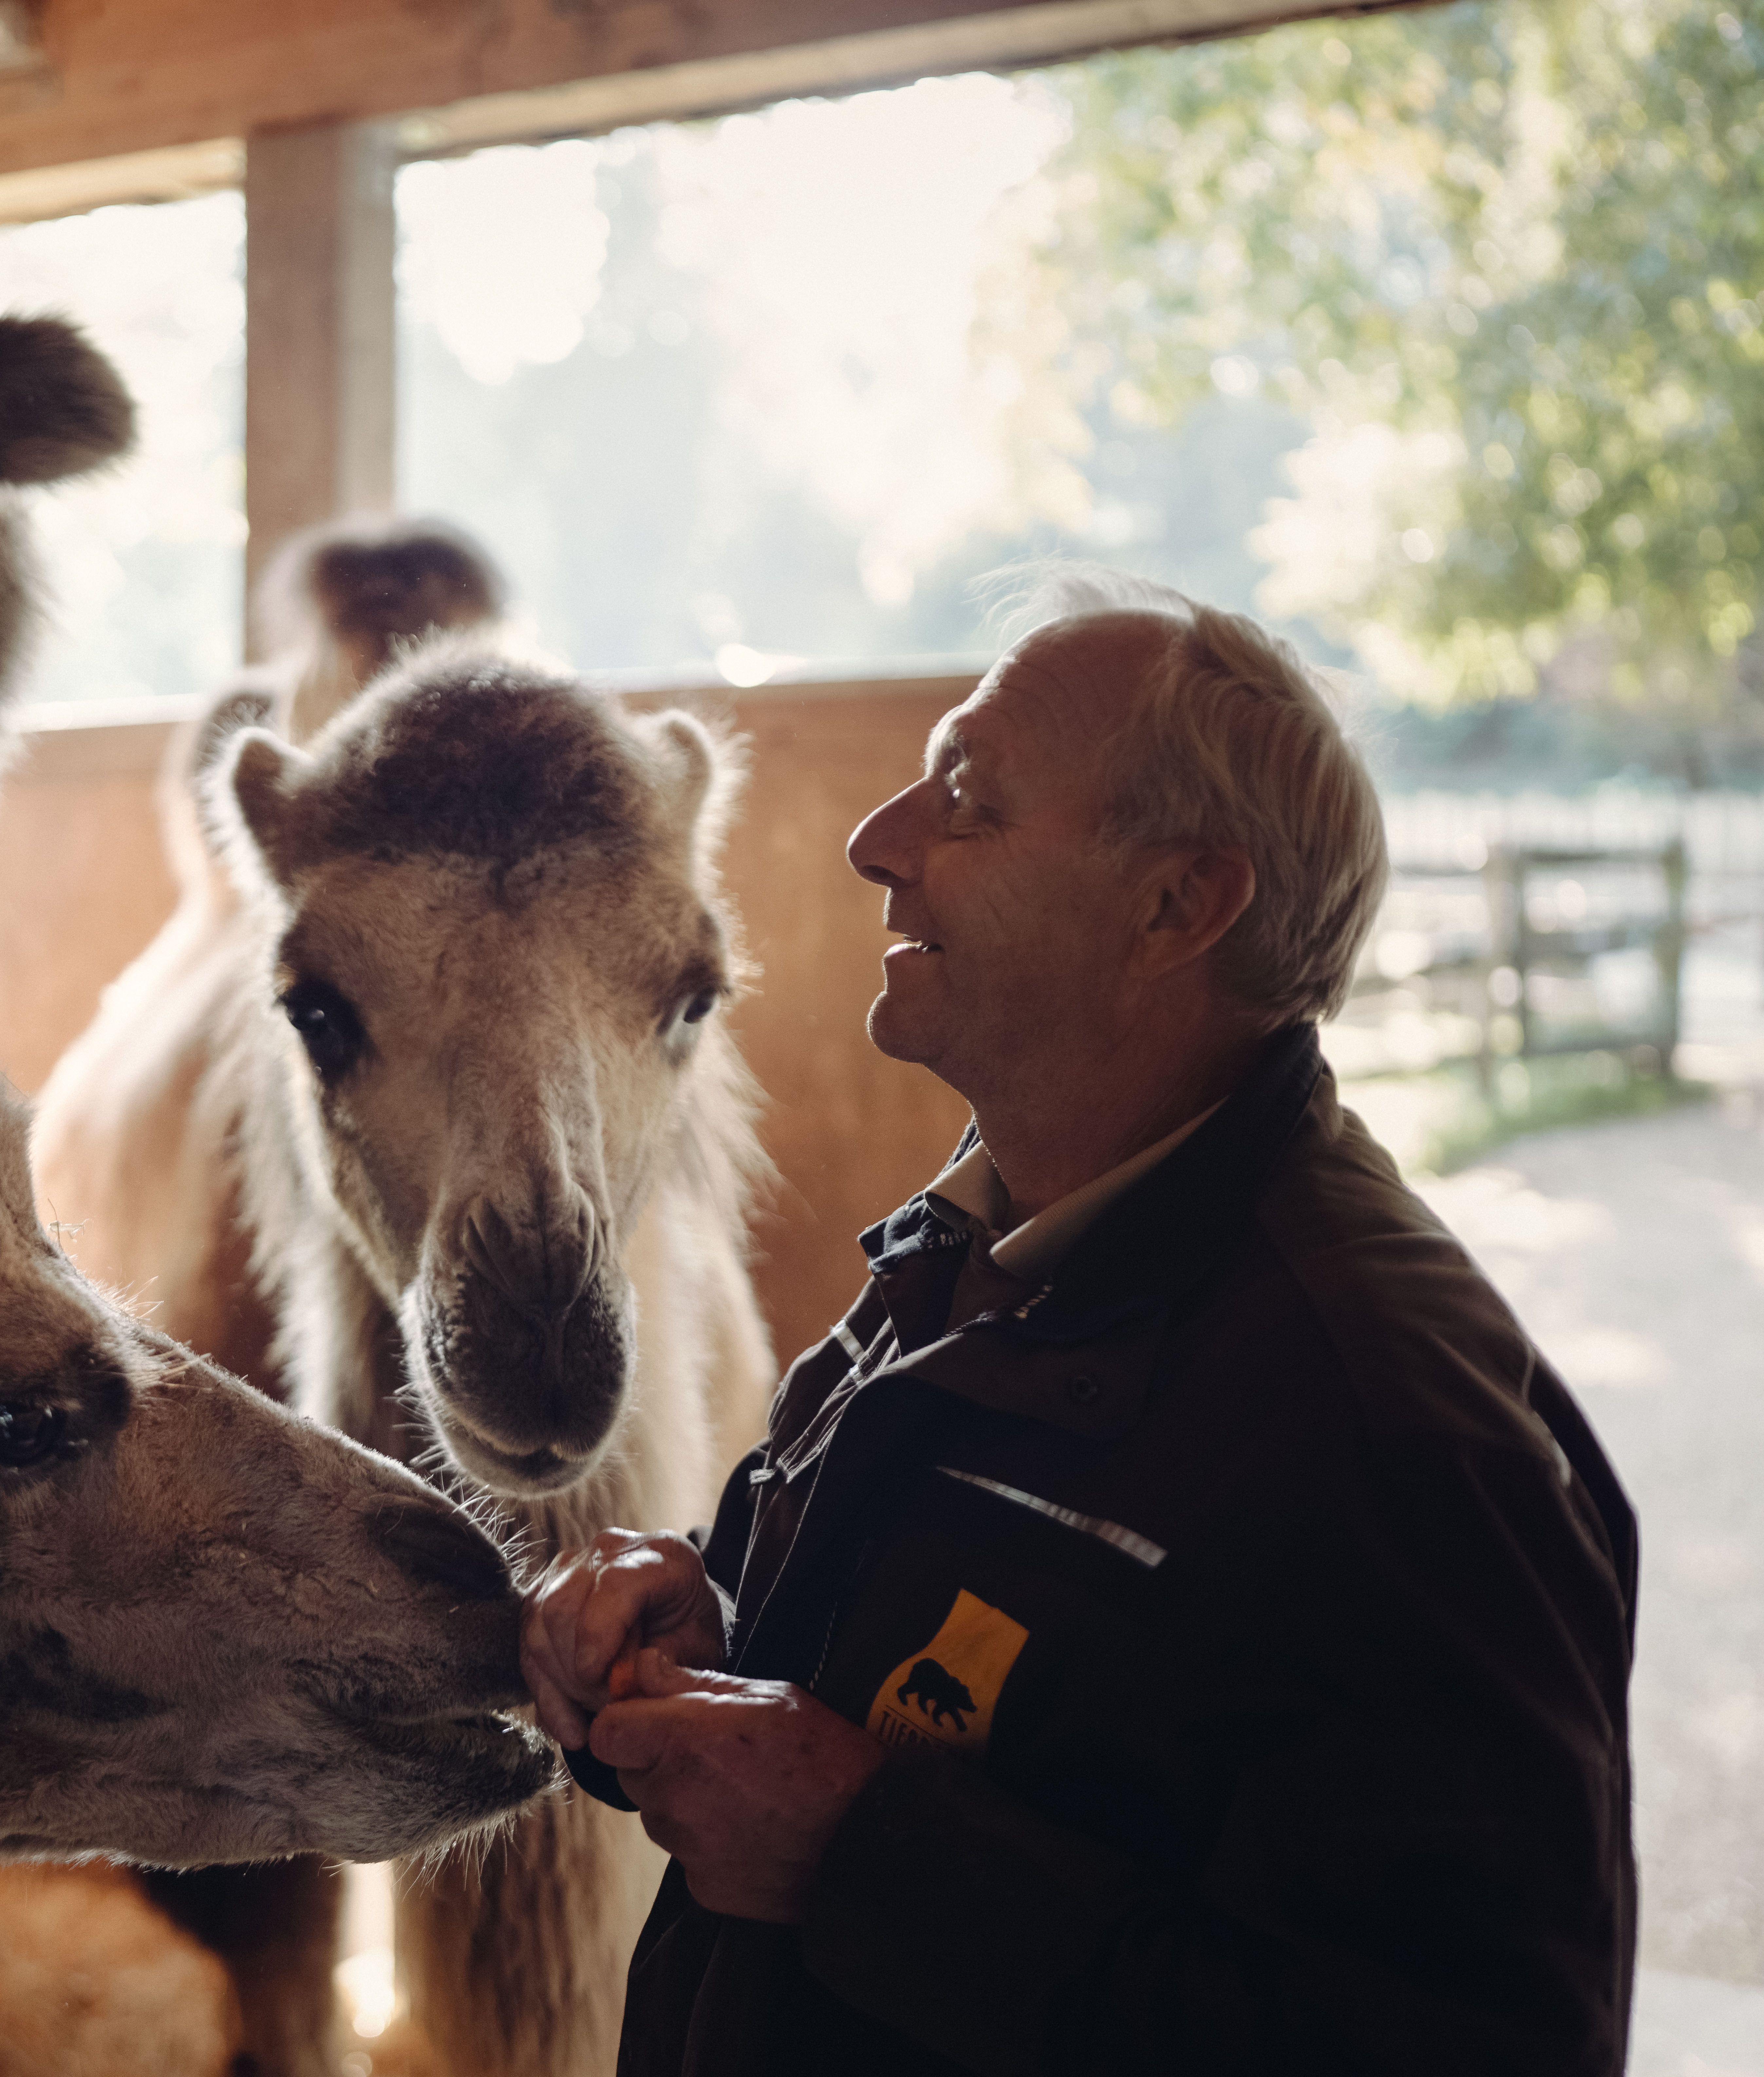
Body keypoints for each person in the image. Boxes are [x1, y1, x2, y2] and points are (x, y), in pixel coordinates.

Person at [521, 565, 1638, 2075]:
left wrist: (864, 1858)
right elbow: (964, 1715)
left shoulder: (1390, 1428)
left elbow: (1479, 2043)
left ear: (1177, 904)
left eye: (966, 800)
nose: (874, 845)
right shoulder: (979, 1242)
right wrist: (704, 1657)